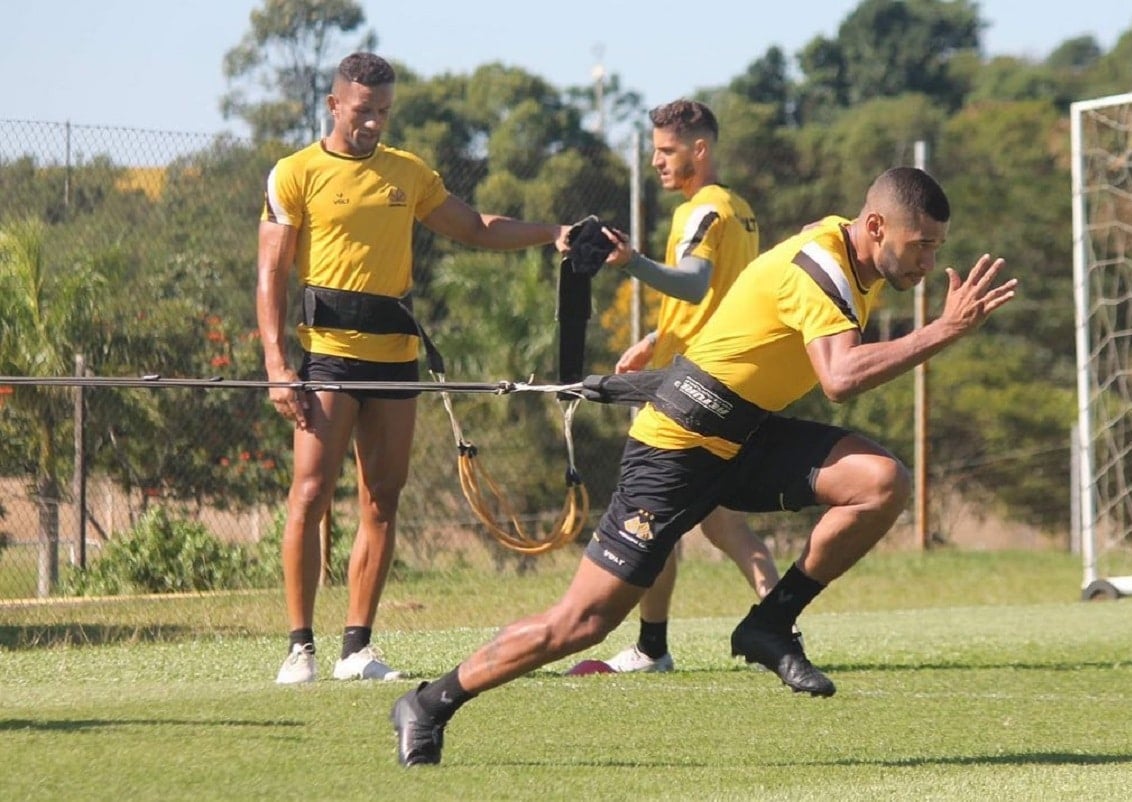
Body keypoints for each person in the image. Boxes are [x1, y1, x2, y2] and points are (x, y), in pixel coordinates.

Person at [390, 166, 1018, 766]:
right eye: (922, 246)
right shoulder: (825, 265)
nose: (929, 264)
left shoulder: (848, 248)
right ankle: (429, 702)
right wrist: (943, 331)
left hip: (744, 434)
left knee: (881, 480)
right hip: (677, 448)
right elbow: (840, 378)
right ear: (876, 226)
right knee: (582, 623)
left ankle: (769, 623)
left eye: (937, 248)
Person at [258, 52, 571, 684]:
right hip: (327, 359)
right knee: (311, 493)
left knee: (382, 498)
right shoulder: (295, 174)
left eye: (383, 111)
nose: (373, 122)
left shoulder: (407, 172)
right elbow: (270, 273)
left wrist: (553, 231)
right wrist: (276, 363)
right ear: (334, 106)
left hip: (395, 359)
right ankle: (300, 648)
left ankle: (357, 649)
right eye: (363, 110)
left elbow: (476, 227)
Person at [600, 99, 778, 674]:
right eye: (654, 150)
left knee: (658, 513)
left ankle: (653, 648)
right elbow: (727, 299)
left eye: (666, 150)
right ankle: (780, 622)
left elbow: (695, 285)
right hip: (714, 378)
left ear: (699, 150)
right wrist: (657, 337)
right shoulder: (741, 210)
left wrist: (631, 262)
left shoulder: (701, 211)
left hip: (690, 391)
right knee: (720, 520)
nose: (656, 161)